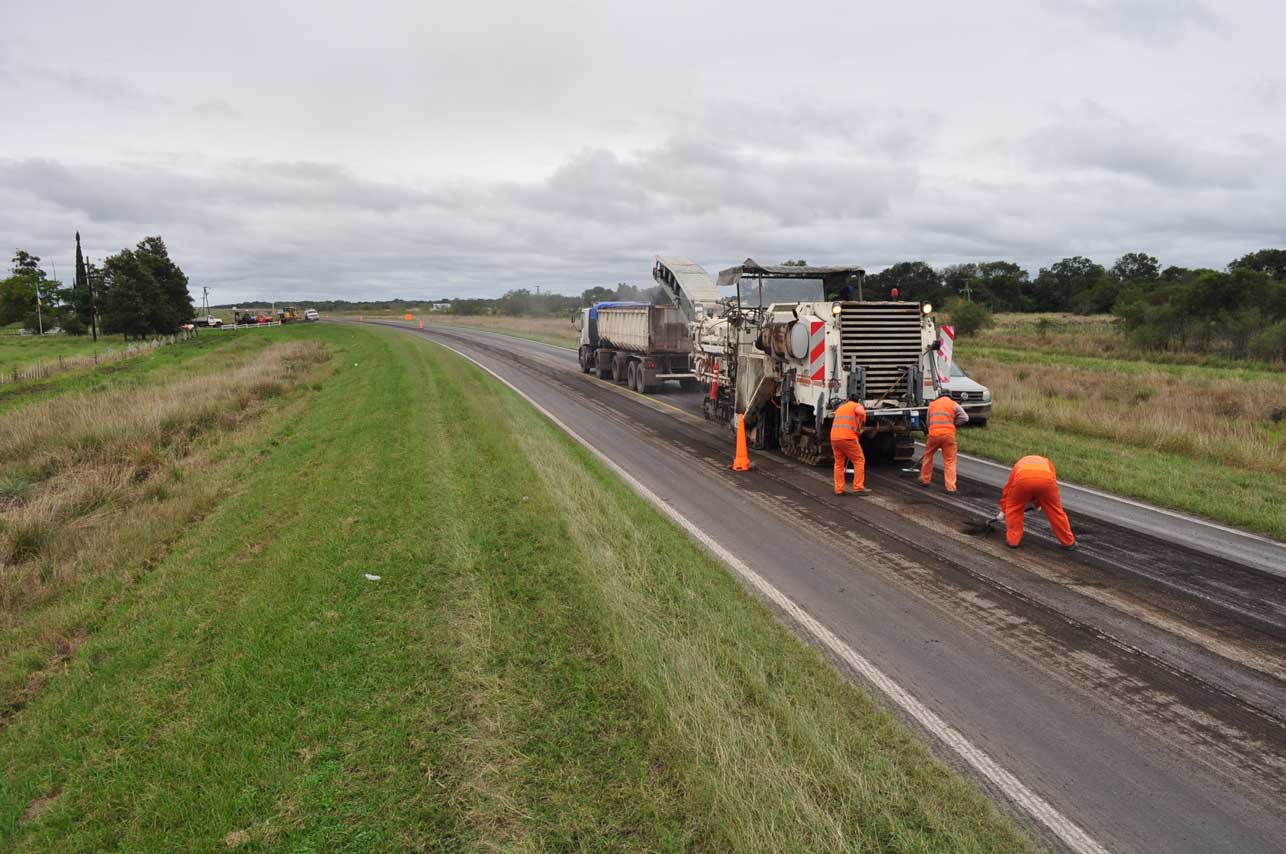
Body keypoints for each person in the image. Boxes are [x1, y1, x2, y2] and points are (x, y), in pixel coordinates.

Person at [999, 455, 1076, 549]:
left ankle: (1013, 541)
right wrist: (1038, 504)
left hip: (1022, 480)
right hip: (1046, 480)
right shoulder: (1048, 463)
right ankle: (1068, 543)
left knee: (1014, 508)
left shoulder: (1018, 464)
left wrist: (1004, 510)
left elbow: (1008, 489)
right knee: (1055, 511)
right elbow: (1047, 487)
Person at [920, 392, 969, 492]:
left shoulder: (932, 405)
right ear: (950, 396)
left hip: (933, 435)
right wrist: (954, 424)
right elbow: (965, 418)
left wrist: (931, 430)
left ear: (940, 396)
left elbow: (928, 422)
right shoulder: (953, 404)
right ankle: (950, 487)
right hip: (948, 436)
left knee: (928, 456)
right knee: (950, 461)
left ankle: (925, 480)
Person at [831, 393, 868, 495]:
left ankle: (839, 489)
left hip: (835, 438)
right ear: (858, 401)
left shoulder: (841, 408)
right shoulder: (856, 406)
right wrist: (862, 422)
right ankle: (858, 488)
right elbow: (861, 412)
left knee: (839, 464)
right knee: (859, 460)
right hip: (848, 438)